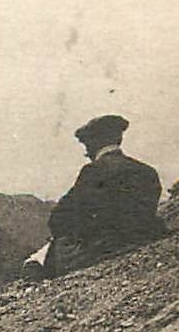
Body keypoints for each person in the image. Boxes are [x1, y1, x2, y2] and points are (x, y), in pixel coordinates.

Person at [25, 115, 165, 279]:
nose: (86, 152)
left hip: (108, 245)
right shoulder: (146, 170)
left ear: (94, 143)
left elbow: (60, 217)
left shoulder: (93, 172)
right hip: (145, 233)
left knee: (42, 259)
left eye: (87, 146)